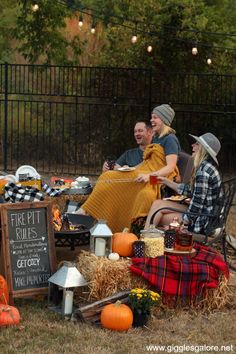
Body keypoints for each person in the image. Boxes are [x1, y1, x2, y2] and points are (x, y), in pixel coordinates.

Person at [76, 104, 181, 233]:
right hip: (144, 172)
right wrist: (131, 169)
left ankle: (90, 214)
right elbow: (146, 163)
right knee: (108, 176)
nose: (152, 120)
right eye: (151, 117)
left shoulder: (170, 139)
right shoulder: (157, 138)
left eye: (155, 117)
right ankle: (87, 212)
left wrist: (149, 176)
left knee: (140, 193)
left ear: (164, 119)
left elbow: (170, 167)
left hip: (156, 180)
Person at [145, 132, 222, 234]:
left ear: (203, 150)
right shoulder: (206, 167)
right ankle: (146, 237)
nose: (192, 145)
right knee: (157, 204)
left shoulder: (203, 173)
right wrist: (165, 181)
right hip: (201, 212)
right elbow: (190, 191)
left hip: (202, 221)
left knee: (157, 216)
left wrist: (180, 225)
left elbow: (196, 210)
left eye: (197, 144)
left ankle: (146, 240)